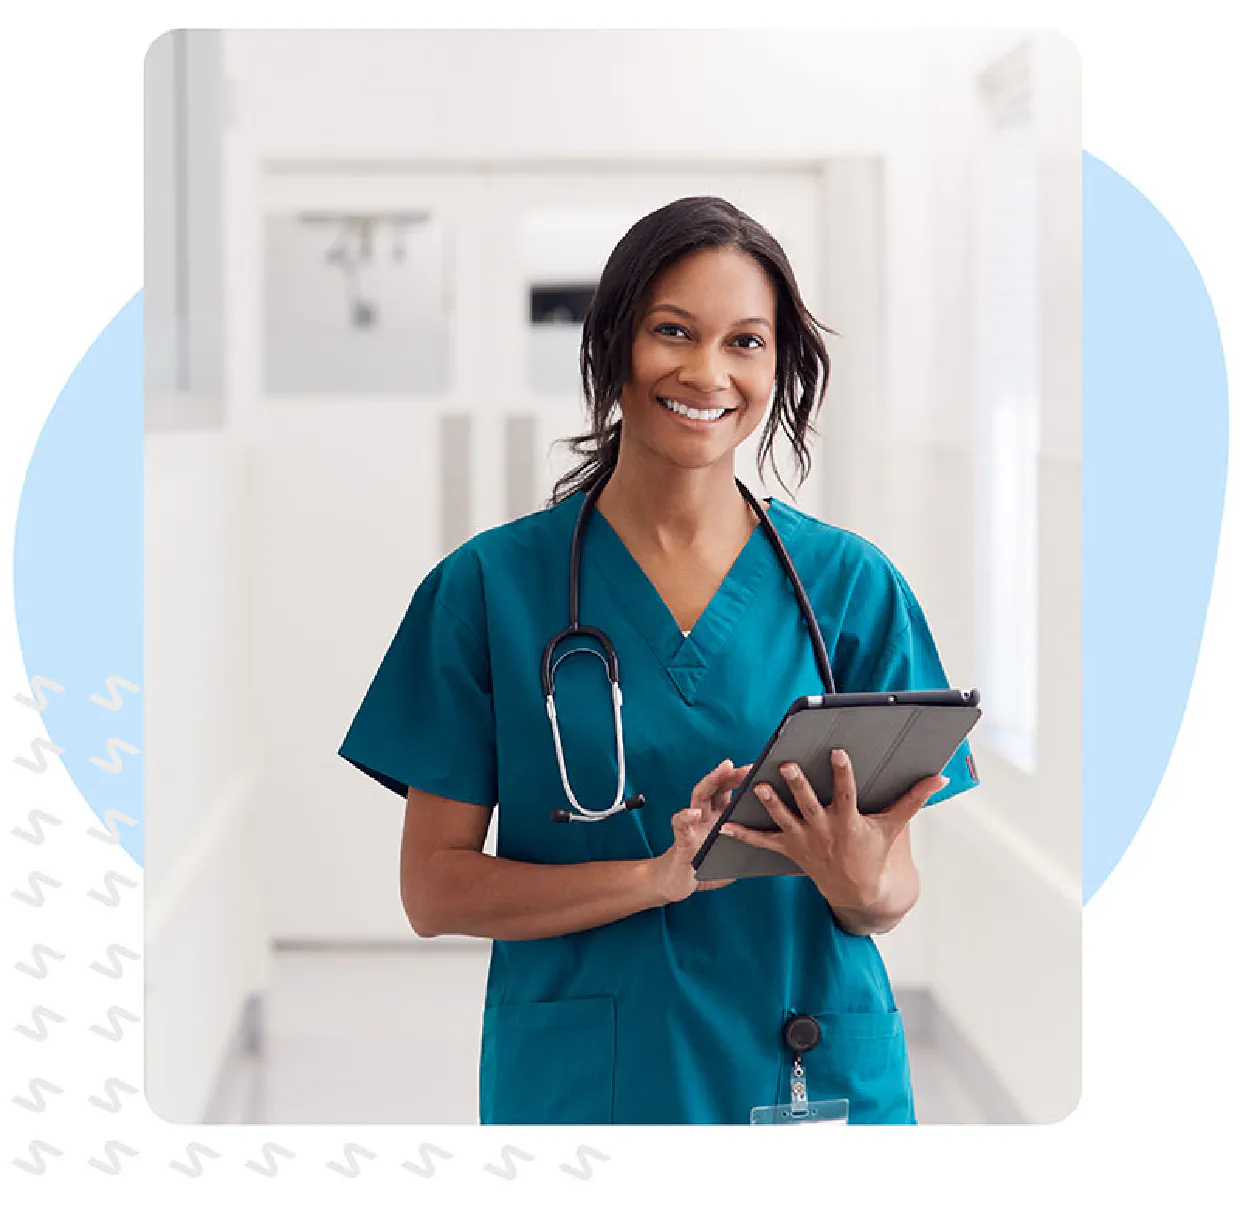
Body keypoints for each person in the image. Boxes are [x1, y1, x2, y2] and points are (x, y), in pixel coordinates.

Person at [338, 195, 978, 1125]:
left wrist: (860, 879)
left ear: (779, 363)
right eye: (672, 330)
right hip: (592, 1084)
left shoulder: (849, 587)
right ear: (612, 346)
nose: (707, 372)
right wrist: (653, 876)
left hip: (805, 1066)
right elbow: (433, 889)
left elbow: (889, 889)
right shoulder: (486, 590)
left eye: (746, 341)